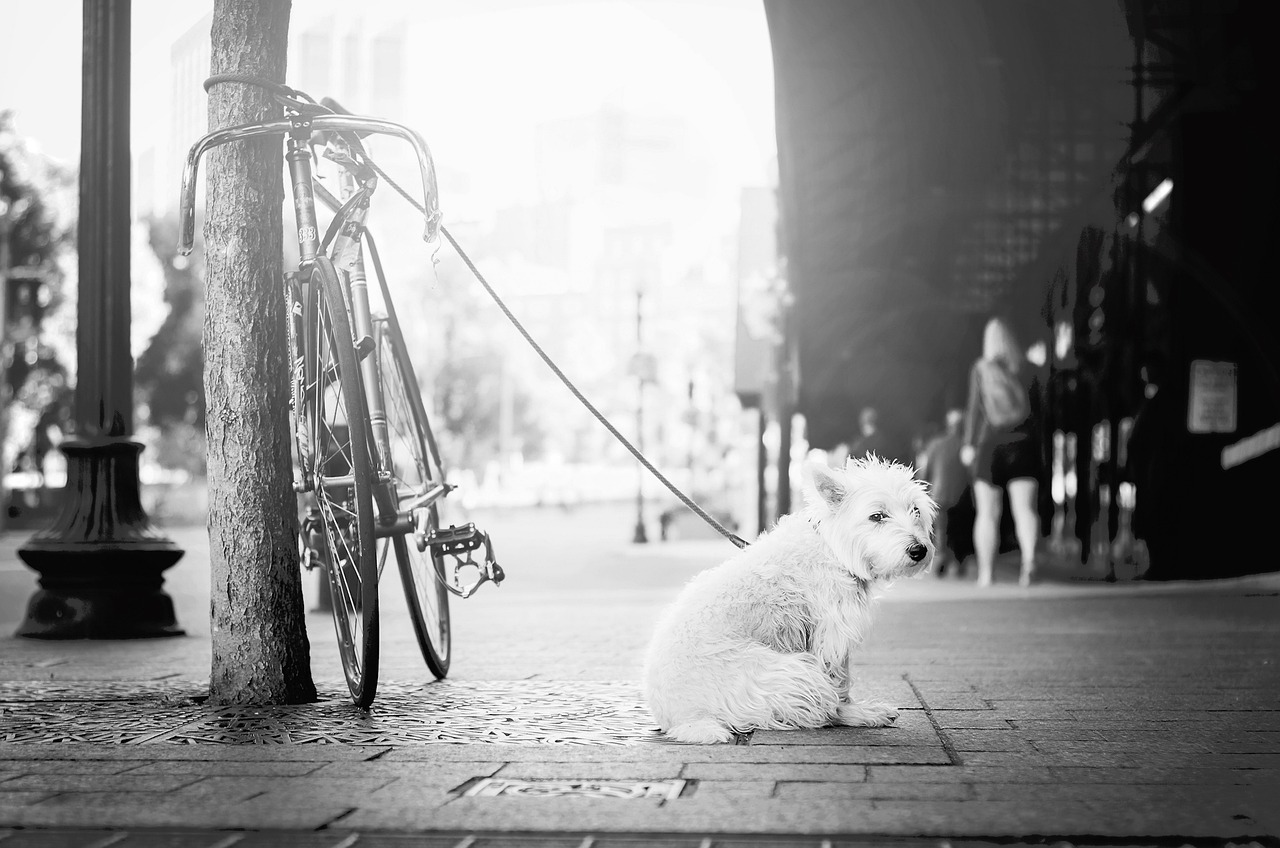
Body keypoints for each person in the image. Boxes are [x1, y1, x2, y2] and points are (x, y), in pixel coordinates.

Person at [960, 318, 1042, 587]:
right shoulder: (1028, 368)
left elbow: (975, 409)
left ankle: (986, 573)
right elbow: (1041, 410)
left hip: (991, 446)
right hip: (1024, 443)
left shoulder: (981, 369)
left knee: (987, 513)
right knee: (1025, 509)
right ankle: (1029, 561)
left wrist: (969, 444)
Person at [918, 408, 967, 576]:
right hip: (962, 494)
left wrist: (923, 489)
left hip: (938, 493)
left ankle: (942, 558)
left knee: (941, 529)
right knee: (959, 527)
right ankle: (958, 561)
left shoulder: (936, 443)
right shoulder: (966, 444)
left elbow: (925, 471)